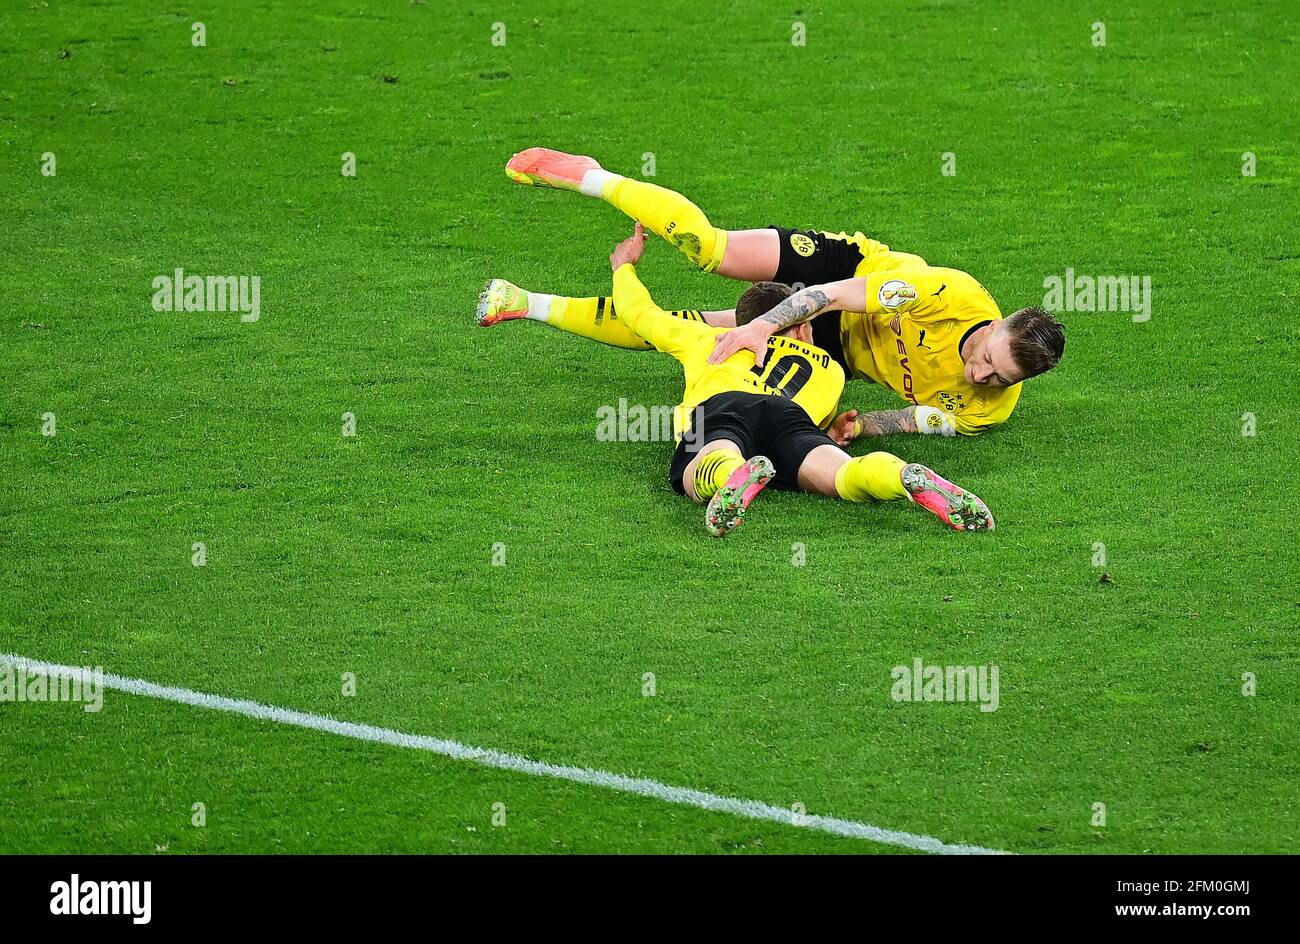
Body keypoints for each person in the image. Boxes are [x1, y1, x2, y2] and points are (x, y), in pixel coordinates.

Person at [504, 146, 1065, 440]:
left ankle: (527, 304)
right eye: (986, 359)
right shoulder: (948, 295)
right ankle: (590, 176)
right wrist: (764, 323)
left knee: (687, 333)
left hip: (839, 350)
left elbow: (912, 421)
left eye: (1000, 379)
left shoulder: (988, 409)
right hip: (845, 274)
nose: (979, 376)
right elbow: (833, 295)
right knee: (710, 249)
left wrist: (857, 426)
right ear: (994, 327)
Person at [478, 225, 995, 536]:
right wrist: (838, 431)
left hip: (724, 406)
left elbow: (639, 316)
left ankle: (732, 476)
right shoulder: (832, 371)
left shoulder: (709, 341)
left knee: (698, 466)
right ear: (806, 326)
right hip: (792, 420)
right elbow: (821, 420)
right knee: (840, 475)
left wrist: (624, 268)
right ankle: (901, 478)